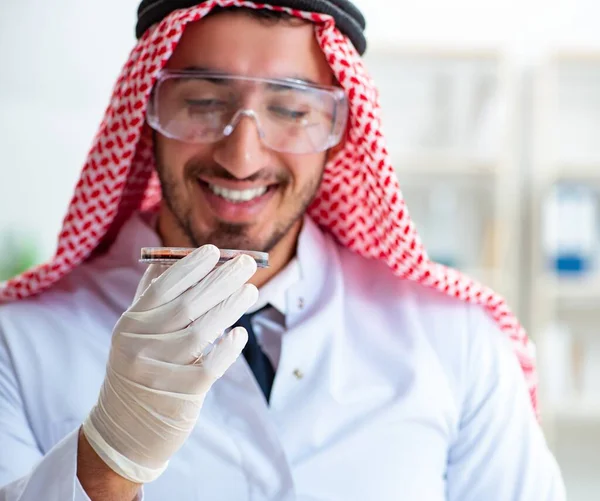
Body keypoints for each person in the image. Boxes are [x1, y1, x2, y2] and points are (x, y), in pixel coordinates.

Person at [0, 1, 565, 500]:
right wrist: (105, 461)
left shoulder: (457, 340)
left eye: (292, 111)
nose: (242, 158)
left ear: (339, 129)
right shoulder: (17, 344)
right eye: (200, 101)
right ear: (147, 110)